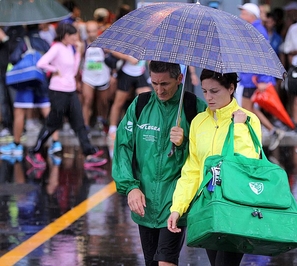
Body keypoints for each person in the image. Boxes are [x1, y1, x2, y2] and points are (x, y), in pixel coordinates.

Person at [112, 61, 207, 266]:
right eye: (154, 83)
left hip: (176, 203)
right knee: (152, 262)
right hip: (144, 204)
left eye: (165, 84)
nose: (159, 89)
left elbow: (207, 155)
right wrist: (130, 187)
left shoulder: (194, 107)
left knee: (165, 261)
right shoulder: (140, 104)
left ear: (179, 79)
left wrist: (185, 141)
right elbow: (123, 147)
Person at [167, 69, 262, 266]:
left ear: (231, 88)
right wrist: (177, 207)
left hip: (236, 207)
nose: (208, 97)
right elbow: (192, 170)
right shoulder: (199, 122)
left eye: (214, 91)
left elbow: (248, 162)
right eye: (204, 91)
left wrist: (239, 127)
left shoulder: (248, 119)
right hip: (207, 208)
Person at [27, 23, 107, 169]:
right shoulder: (57, 47)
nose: (76, 38)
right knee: (53, 123)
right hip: (58, 91)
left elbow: (73, 69)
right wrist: (54, 69)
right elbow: (41, 62)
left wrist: (78, 52)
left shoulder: (71, 48)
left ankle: (89, 154)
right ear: (65, 36)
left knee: (79, 123)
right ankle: (34, 151)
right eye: (73, 35)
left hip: (70, 90)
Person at [0, 24, 59, 157]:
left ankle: (16, 144)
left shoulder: (24, 41)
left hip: (26, 82)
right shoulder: (44, 42)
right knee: (47, 111)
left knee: (19, 112)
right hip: (42, 81)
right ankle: (56, 142)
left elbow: (14, 58)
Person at [237, 3, 285, 151]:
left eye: (244, 13)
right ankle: (272, 131)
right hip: (250, 78)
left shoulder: (257, 31)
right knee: (249, 108)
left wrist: (264, 79)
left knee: (246, 109)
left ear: (252, 15)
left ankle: (256, 136)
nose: (241, 16)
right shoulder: (255, 29)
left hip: (252, 79)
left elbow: (265, 56)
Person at [81, 20, 110, 135]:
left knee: (103, 102)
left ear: (97, 30)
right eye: (89, 31)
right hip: (88, 77)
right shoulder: (82, 44)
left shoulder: (104, 43)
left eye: (93, 31)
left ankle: (102, 121)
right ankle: (85, 126)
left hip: (103, 76)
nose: (91, 34)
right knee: (87, 100)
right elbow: (78, 61)